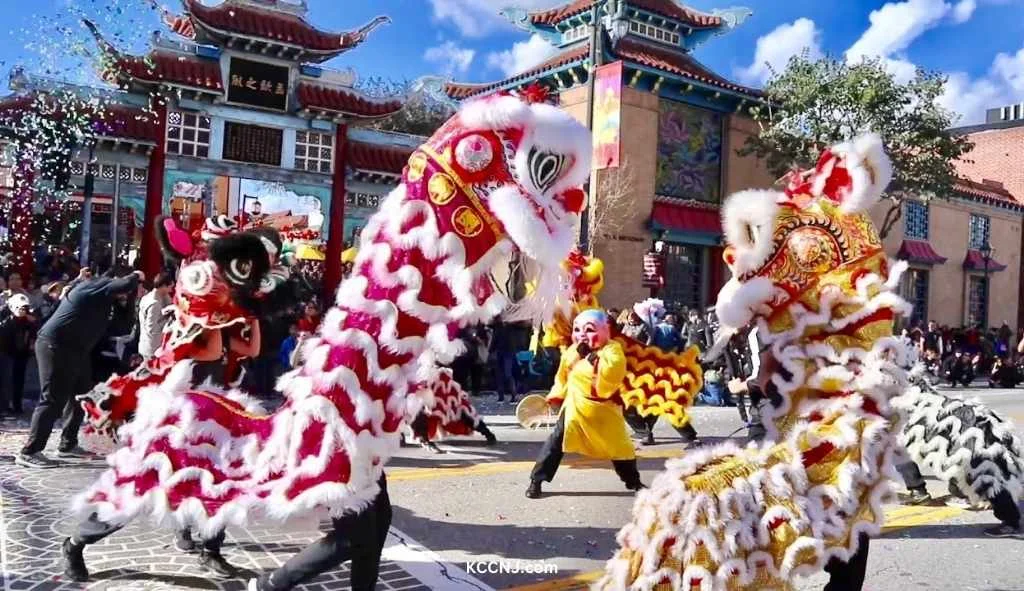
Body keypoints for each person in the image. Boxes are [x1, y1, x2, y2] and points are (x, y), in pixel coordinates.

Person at [15, 269, 143, 468]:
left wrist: (128, 300)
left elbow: (123, 327)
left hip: (77, 350)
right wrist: (137, 276)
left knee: (81, 395)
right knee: (53, 399)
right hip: (55, 346)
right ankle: (30, 451)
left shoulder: (105, 299)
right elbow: (124, 284)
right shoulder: (94, 287)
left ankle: (67, 444)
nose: (124, 295)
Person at [525, 310, 645, 499]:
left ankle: (634, 482)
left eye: (589, 330)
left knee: (620, 446)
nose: (582, 335)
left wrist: (591, 357)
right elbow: (562, 378)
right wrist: (555, 397)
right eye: (578, 329)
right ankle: (536, 481)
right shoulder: (571, 352)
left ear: (605, 330)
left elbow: (614, 371)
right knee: (556, 442)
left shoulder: (612, 349)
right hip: (576, 406)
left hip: (604, 410)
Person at [0, 294, 38, 417]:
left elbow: (33, 333)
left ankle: (17, 405)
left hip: (22, 354)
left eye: (24, 308)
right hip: (7, 354)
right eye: (20, 308)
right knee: (6, 380)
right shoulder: (6, 321)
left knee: (19, 380)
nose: (22, 311)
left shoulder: (29, 322)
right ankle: (4, 406)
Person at [137, 272, 174, 360]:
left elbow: (170, 305)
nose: (171, 290)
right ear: (164, 286)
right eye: (170, 287)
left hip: (146, 346)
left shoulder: (149, 297)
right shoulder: (154, 304)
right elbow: (152, 329)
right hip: (152, 350)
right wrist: (168, 322)